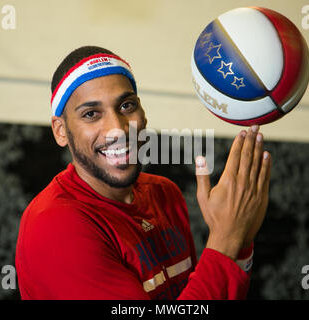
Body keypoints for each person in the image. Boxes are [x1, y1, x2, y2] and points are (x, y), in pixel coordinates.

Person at [15, 46, 271, 300]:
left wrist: (241, 240)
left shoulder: (164, 193)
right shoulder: (54, 224)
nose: (118, 129)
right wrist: (225, 240)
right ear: (61, 131)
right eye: (91, 114)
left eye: (126, 106)